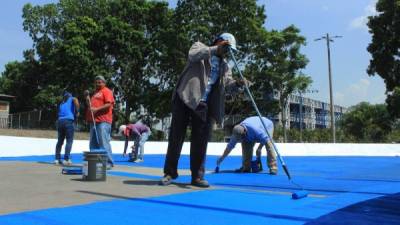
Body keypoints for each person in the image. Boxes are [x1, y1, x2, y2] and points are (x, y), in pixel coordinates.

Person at [159, 33, 246, 188]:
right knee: (176, 137)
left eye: (229, 50)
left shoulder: (225, 66)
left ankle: (197, 177)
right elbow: (193, 55)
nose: (227, 52)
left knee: (201, 142)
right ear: (219, 42)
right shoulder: (200, 47)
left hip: (203, 104)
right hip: (185, 97)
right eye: (226, 47)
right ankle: (170, 173)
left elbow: (227, 85)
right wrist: (215, 49)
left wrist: (238, 84)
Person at [85, 75, 115, 167]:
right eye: (96, 82)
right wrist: (87, 98)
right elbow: (90, 105)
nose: (97, 84)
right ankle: (96, 162)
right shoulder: (95, 93)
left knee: (103, 142)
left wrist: (97, 109)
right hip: (94, 121)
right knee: (93, 142)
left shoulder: (107, 91)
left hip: (103, 121)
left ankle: (109, 162)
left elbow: (109, 104)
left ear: (104, 83)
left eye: (100, 82)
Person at [55, 91, 79, 165]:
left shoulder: (62, 103)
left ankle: (57, 159)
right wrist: (77, 111)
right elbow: (75, 100)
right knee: (69, 141)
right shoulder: (71, 98)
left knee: (60, 141)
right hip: (68, 121)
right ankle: (66, 159)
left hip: (60, 121)